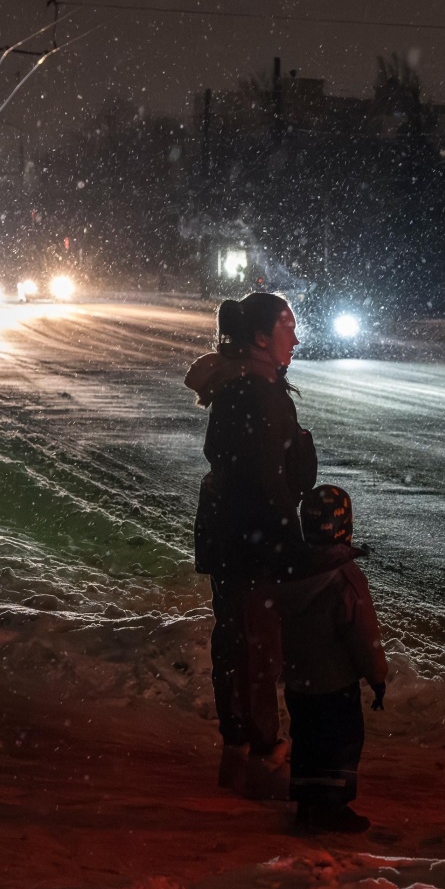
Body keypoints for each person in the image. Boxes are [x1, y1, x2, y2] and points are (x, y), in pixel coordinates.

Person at [185, 292, 317, 799]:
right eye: (287, 328)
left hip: (231, 533)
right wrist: (288, 543)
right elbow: (269, 482)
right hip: (252, 538)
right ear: (261, 338)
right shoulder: (256, 394)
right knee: (258, 648)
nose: (296, 338)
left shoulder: (243, 386)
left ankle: (238, 753)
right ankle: (262, 758)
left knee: (238, 641)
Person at [278, 484, 388, 833]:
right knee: (340, 744)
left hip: (299, 680)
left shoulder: (288, 572)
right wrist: (377, 675)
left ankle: (308, 805)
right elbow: (362, 634)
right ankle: (332, 807)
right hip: (336, 682)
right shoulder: (345, 580)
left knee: (308, 741)